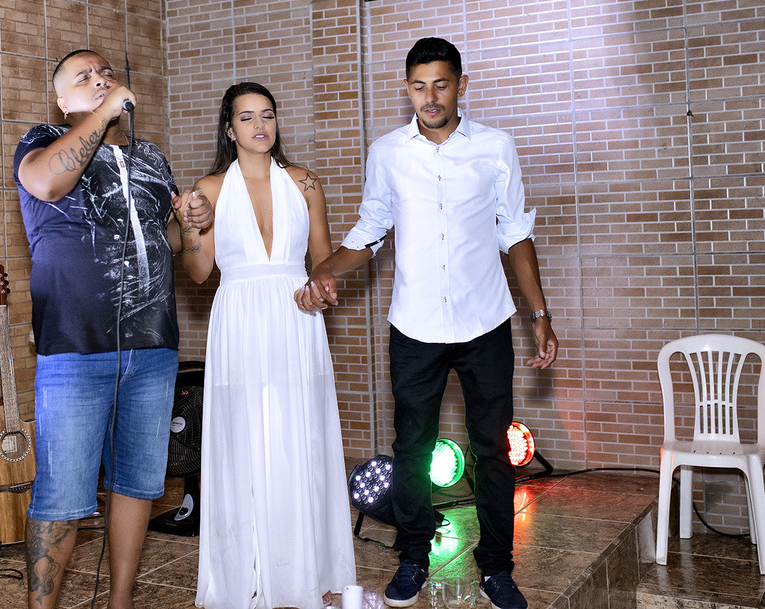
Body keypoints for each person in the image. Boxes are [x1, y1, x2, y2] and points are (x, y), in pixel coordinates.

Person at [297, 38, 560, 609]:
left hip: (486, 321)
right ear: (408, 89)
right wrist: (324, 268)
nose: (430, 97)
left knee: (491, 450)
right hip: (414, 327)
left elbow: (516, 233)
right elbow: (370, 229)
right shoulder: (388, 152)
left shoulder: (494, 146)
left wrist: (539, 314)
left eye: (441, 84)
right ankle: (414, 555)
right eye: (419, 86)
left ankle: (497, 568)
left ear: (461, 84)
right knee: (412, 449)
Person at [15, 49, 210, 609]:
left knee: (138, 483)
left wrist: (192, 225)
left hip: (152, 347)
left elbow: (169, 246)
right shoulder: (41, 141)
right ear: (62, 101)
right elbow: (46, 185)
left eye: (106, 74)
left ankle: (121, 600)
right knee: (61, 496)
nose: (100, 80)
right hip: (75, 348)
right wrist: (102, 114)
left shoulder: (152, 157)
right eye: (85, 78)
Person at [180, 82, 357, 609]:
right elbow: (198, 272)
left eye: (268, 115)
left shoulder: (304, 182)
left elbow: (322, 257)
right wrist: (189, 229)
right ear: (229, 128)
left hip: (295, 318)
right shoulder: (209, 188)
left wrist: (320, 287)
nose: (260, 126)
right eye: (247, 117)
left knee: (301, 436)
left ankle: (307, 570)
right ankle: (246, 572)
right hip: (238, 319)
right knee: (243, 440)